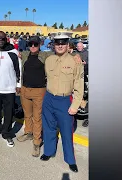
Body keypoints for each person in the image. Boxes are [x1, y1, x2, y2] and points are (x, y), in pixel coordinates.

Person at [40, 32, 84, 173]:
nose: (60, 45)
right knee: (48, 128)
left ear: (67, 44)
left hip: (64, 100)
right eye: (57, 42)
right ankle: (48, 151)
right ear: (53, 44)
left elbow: (79, 84)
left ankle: (70, 160)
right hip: (49, 98)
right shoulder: (49, 60)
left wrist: (75, 105)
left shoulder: (75, 61)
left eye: (63, 42)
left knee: (66, 132)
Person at [0, 31, 22, 147]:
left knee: (9, 113)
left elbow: (19, 69)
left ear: (6, 39)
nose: (0, 40)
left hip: (9, 89)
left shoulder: (13, 53)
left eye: (2, 38)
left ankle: (7, 133)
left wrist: (18, 85)